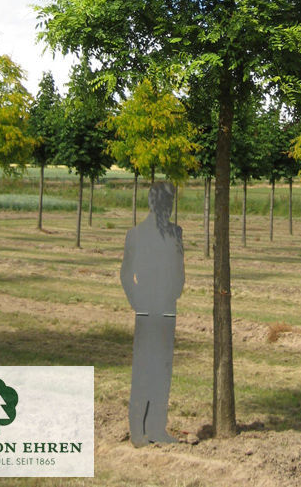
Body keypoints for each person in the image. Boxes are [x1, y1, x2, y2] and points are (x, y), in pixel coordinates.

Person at [120, 180, 184, 446]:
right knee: (144, 368)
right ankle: (138, 431)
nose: (166, 208)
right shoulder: (136, 234)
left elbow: (180, 271)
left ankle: (157, 428)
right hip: (146, 311)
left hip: (167, 310)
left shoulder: (176, 233)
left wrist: (174, 293)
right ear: (152, 203)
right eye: (163, 202)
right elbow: (125, 273)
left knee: (163, 369)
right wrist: (137, 301)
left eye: (170, 203)